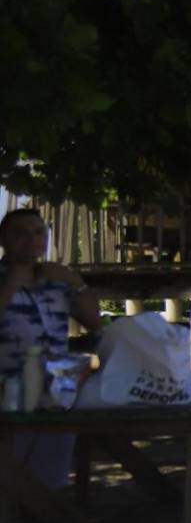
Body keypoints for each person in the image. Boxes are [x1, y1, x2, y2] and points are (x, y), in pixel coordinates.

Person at [2, 208, 102, 486]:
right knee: (7, 483)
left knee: (49, 483)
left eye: (38, 233)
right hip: (7, 395)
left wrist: (75, 282)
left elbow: (94, 322)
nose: (31, 239)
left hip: (57, 394)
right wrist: (12, 282)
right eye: (21, 233)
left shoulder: (57, 282)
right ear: (3, 238)